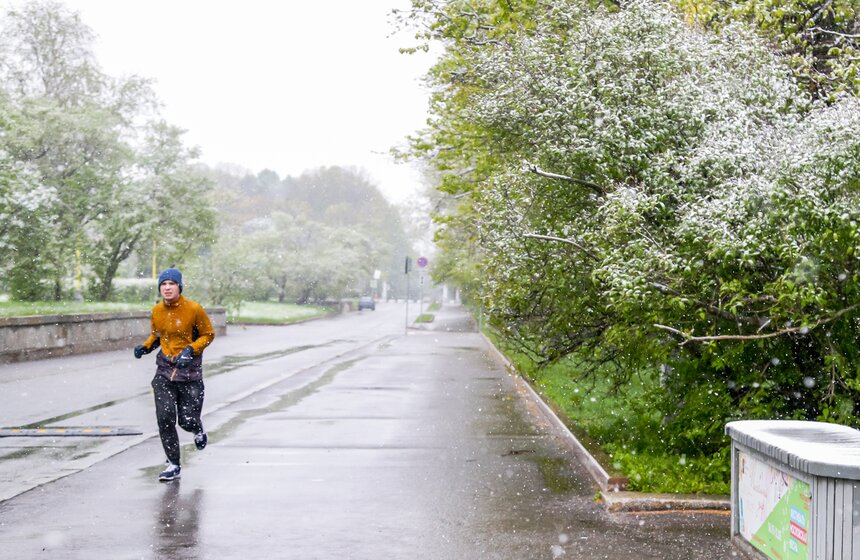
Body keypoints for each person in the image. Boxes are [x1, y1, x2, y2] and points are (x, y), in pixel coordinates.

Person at [134, 267, 215, 482]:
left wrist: (191, 350)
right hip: (164, 371)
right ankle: (173, 464)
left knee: (186, 421)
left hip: (189, 374)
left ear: (179, 287)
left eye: (171, 284)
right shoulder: (157, 311)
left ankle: (197, 429)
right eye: (163, 284)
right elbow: (157, 335)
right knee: (165, 418)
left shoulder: (194, 309)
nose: (167, 288)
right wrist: (145, 347)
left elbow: (208, 334)